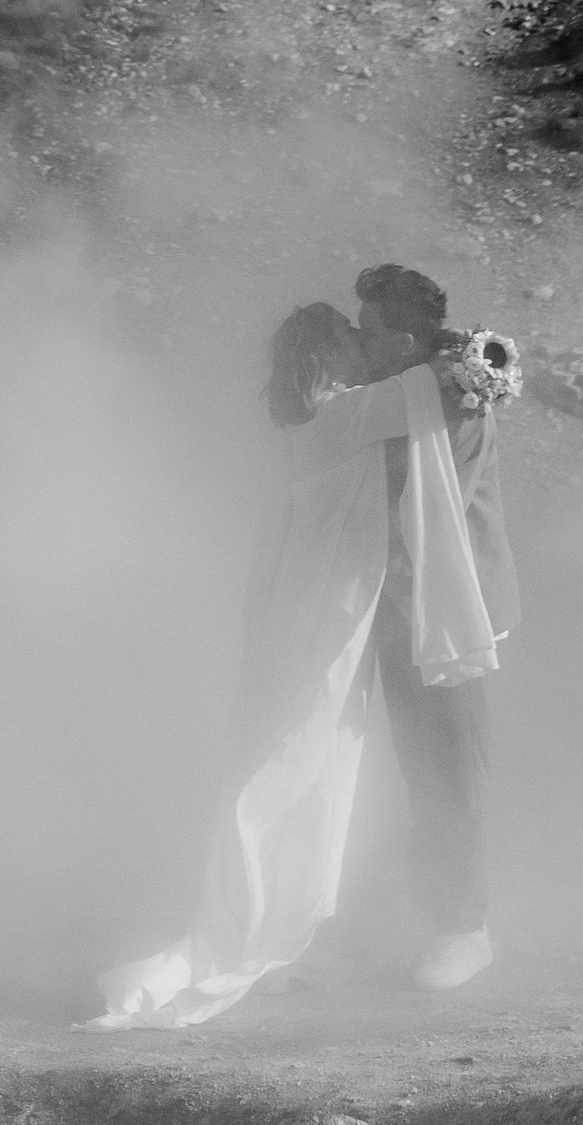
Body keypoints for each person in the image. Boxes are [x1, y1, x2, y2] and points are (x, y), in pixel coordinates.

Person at [92, 300, 498, 1030]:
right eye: (349, 333)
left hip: (327, 609)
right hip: (331, 616)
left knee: (315, 769)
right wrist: (477, 357)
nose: (359, 338)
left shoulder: (318, 414)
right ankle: (259, 930)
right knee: (293, 766)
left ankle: (290, 931)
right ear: (322, 353)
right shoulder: (341, 414)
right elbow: (431, 385)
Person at [354, 263, 521, 992]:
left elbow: (412, 493)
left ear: (404, 336)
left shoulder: (451, 397)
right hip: (405, 605)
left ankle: (466, 928)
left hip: (453, 609)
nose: (363, 346)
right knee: (419, 763)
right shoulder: (415, 389)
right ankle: (432, 915)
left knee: (451, 767)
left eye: (370, 333)